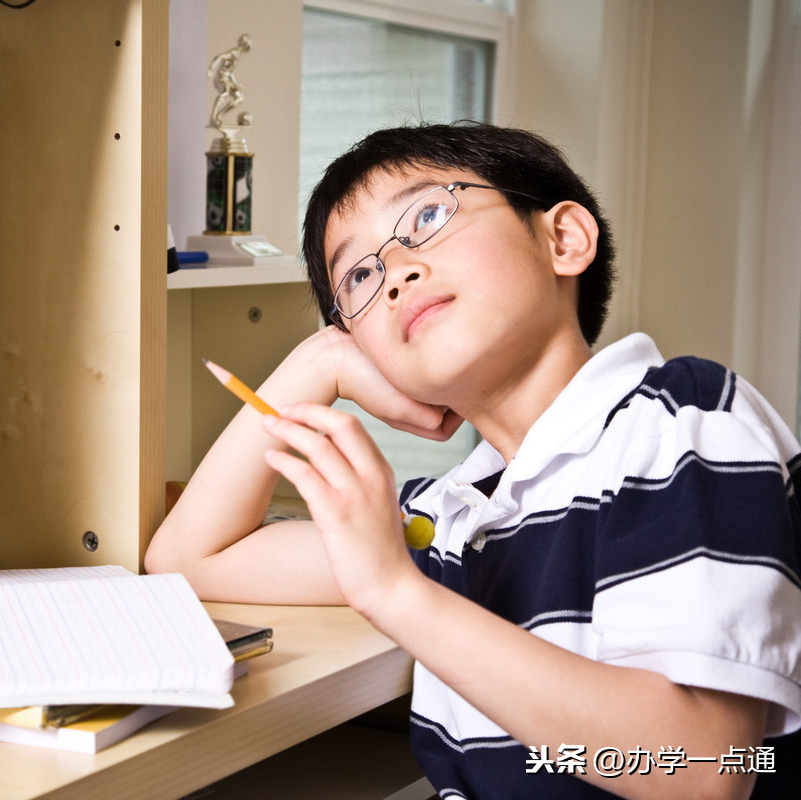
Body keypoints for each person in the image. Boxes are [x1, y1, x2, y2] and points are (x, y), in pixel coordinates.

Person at [144, 122, 801, 799]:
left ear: (563, 239)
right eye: (359, 276)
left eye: (428, 215)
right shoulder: (456, 514)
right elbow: (189, 556)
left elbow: (703, 769)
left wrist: (396, 592)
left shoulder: (680, 421)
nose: (396, 271)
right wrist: (320, 360)